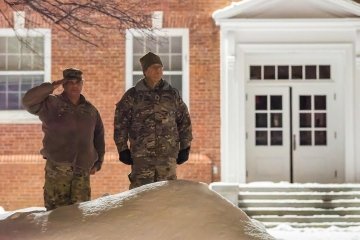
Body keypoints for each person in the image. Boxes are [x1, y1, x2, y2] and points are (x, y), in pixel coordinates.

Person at [22, 68, 105, 210]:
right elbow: (28, 101)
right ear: (64, 85)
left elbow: (98, 136)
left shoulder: (90, 110)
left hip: (82, 172)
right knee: (56, 216)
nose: (74, 86)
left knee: (80, 215)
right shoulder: (51, 104)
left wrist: (98, 162)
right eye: (70, 83)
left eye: (77, 82)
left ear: (82, 84)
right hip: (58, 171)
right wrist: (52, 86)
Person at [114, 52, 193, 189]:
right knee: (140, 197)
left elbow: (184, 120)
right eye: (154, 67)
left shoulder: (172, 94)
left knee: (166, 197)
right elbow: (121, 123)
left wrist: (185, 147)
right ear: (145, 71)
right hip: (142, 157)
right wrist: (122, 149)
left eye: (160, 67)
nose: (158, 70)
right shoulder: (133, 95)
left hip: (167, 157)